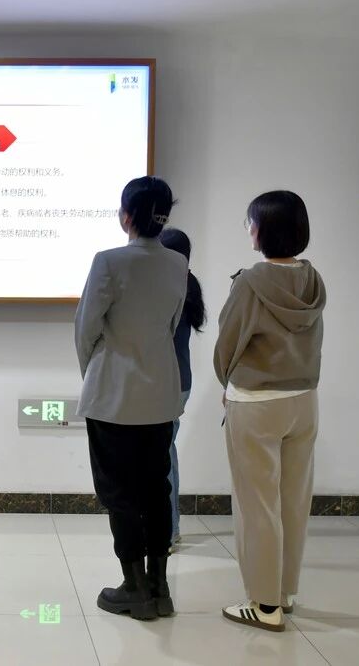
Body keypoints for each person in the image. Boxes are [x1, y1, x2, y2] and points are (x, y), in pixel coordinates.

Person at [75, 176, 188, 621]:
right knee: (157, 489)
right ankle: (160, 588)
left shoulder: (108, 262)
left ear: (126, 216)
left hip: (113, 396)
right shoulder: (177, 263)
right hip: (160, 394)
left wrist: (93, 374)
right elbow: (172, 325)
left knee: (119, 493)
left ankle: (134, 586)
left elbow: (86, 329)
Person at [214, 190, 326, 633]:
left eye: (250, 222)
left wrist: (227, 381)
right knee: (294, 500)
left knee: (257, 505)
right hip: (304, 399)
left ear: (261, 230)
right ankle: (284, 593)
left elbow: (229, 340)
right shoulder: (312, 279)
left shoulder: (250, 282)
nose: (248, 229)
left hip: (257, 402)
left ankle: (263, 605)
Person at [158, 228, 207, 547]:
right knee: (165, 453)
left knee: (161, 458)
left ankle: (168, 530)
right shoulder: (187, 283)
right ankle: (170, 528)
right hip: (180, 382)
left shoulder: (168, 286)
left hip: (166, 382)